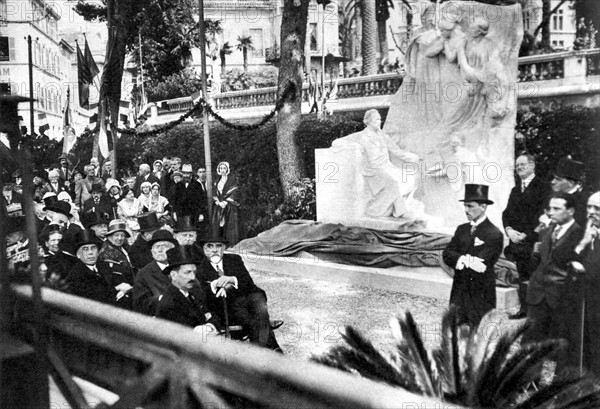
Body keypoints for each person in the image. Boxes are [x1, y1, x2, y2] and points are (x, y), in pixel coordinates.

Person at [525, 193, 583, 373]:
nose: (551, 212)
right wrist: (534, 253)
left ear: (571, 211)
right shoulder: (546, 231)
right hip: (537, 295)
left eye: (557, 209)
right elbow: (538, 262)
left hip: (561, 298)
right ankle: (528, 381)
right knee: (532, 340)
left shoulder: (581, 235)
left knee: (557, 345)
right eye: (550, 208)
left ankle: (552, 385)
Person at [197, 233, 282, 351]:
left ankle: (262, 349)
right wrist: (216, 285)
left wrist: (232, 280)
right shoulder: (200, 269)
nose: (215, 250)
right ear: (204, 249)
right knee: (257, 318)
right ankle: (271, 349)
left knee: (259, 303)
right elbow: (203, 297)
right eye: (210, 246)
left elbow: (248, 283)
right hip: (226, 307)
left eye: (218, 246)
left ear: (224, 248)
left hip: (248, 298)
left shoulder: (234, 259)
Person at [332, 109, 422, 219]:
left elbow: (398, 152)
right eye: (376, 119)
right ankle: (400, 212)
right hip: (373, 170)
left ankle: (386, 209)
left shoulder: (384, 137)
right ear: (368, 121)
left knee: (411, 178)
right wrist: (356, 146)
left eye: (380, 119)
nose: (379, 121)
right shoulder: (361, 136)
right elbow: (336, 142)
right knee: (392, 182)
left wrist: (415, 157)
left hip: (388, 167)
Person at [442, 184, 504, 327]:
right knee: (456, 332)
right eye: (465, 206)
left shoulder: (494, 233)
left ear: (483, 207)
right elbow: (447, 253)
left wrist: (460, 258)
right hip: (459, 290)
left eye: (470, 206)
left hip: (480, 292)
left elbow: (482, 263)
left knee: (478, 332)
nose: (466, 210)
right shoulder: (462, 229)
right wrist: (464, 259)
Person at [502, 154, 551, 319]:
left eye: (522, 164)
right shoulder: (515, 190)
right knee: (522, 274)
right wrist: (509, 230)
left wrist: (527, 235)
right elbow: (506, 213)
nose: (519, 168)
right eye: (517, 165)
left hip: (535, 240)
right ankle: (524, 309)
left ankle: (537, 312)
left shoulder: (544, 187)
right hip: (516, 241)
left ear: (532, 165)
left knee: (535, 275)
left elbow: (544, 215)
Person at [155, 245, 220, 334]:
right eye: (187, 272)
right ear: (174, 275)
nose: (193, 277)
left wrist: (209, 326)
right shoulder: (169, 302)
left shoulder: (195, 293)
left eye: (194, 272)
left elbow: (214, 316)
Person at [64, 229, 131, 307]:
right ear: (78, 255)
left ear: (98, 251)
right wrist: (116, 289)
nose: (90, 253)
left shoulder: (103, 266)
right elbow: (91, 298)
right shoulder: (75, 275)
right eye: (85, 249)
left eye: (93, 248)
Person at [572, 192, 600, 376]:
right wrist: (583, 244)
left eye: (596, 208)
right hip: (588, 296)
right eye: (588, 207)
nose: (590, 212)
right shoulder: (587, 232)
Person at [133, 230, 179, 315]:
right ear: (151, 252)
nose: (160, 250)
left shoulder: (181, 268)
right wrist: (160, 299)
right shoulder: (144, 274)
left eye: (164, 246)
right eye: (156, 247)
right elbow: (139, 306)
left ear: (173, 250)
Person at [550, 157, 588, 226]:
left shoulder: (582, 203)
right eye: (553, 178)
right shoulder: (550, 197)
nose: (552, 182)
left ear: (571, 183)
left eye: (558, 179)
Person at [210, 162, 241, 245]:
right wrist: (217, 201)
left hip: (229, 206)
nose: (222, 170)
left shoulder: (231, 180)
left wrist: (226, 202)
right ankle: (219, 242)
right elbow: (214, 192)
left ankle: (231, 243)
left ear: (227, 169)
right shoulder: (217, 180)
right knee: (218, 224)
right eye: (221, 168)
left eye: (224, 168)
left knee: (229, 224)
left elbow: (235, 191)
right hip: (219, 206)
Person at [172, 164, 204, 228]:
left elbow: (201, 200)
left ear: (191, 174)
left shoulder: (197, 185)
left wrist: (201, 213)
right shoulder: (178, 185)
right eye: (184, 173)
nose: (186, 175)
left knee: (193, 231)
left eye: (188, 174)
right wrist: (174, 212)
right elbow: (175, 199)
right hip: (181, 213)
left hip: (194, 213)